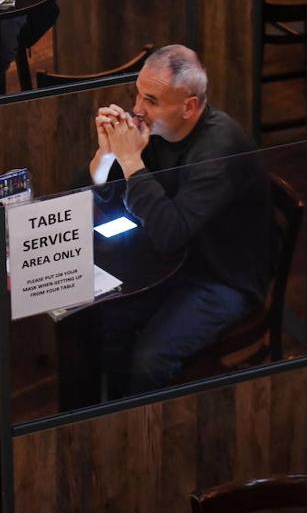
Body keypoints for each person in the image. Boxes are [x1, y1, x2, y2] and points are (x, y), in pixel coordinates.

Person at [85, 45, 271, 396]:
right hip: (172, 262)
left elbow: (170, 233)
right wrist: (106, 155)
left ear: (189, 106)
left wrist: (131, 162)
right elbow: (102, 196)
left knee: (150, 359)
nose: (138, 109)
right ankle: (113, 414)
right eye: (138, 94)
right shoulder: (157, 131)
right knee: (105, 321)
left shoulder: (219, 150)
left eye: (152, 100)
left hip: (222, 277)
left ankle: (148, 423)